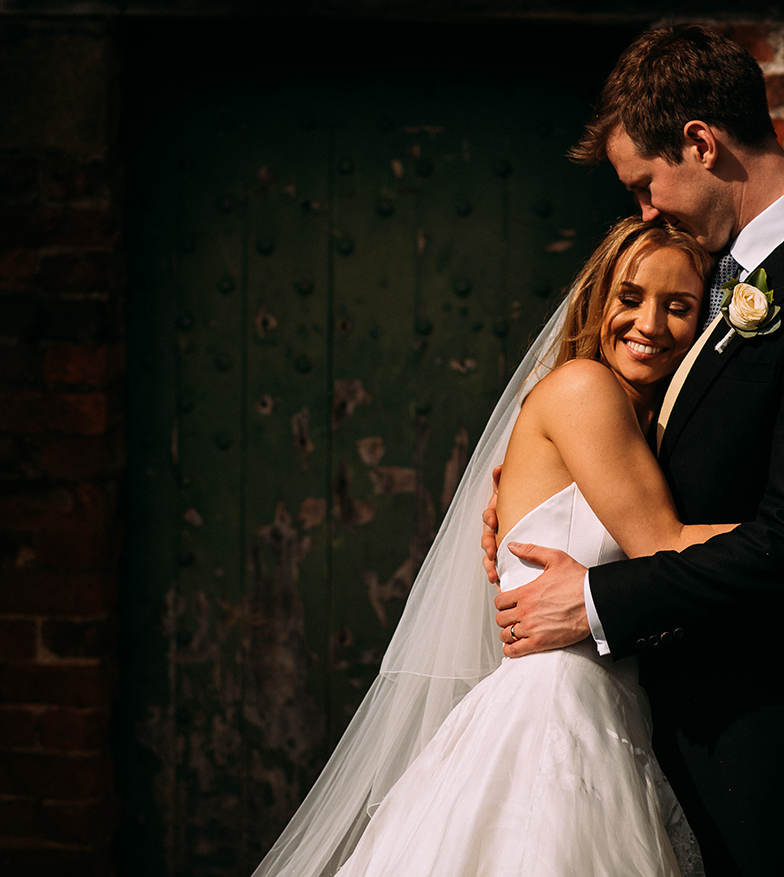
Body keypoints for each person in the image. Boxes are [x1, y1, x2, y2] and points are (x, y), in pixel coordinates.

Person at [482, 24, 784, 877]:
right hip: (666, 728)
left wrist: (598, 596)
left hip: (769, 736)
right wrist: (549, 483)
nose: (643, 211)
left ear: (701, 143)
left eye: (646, 184)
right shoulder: (724, 277)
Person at [253, 214, 732, 877]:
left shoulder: (638, 420)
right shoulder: (585, 389)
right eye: (630, 297)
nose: (650, 323)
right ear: (597, 300)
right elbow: (664, 543)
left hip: (606, 702)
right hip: (554, 705)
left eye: (678, 307)